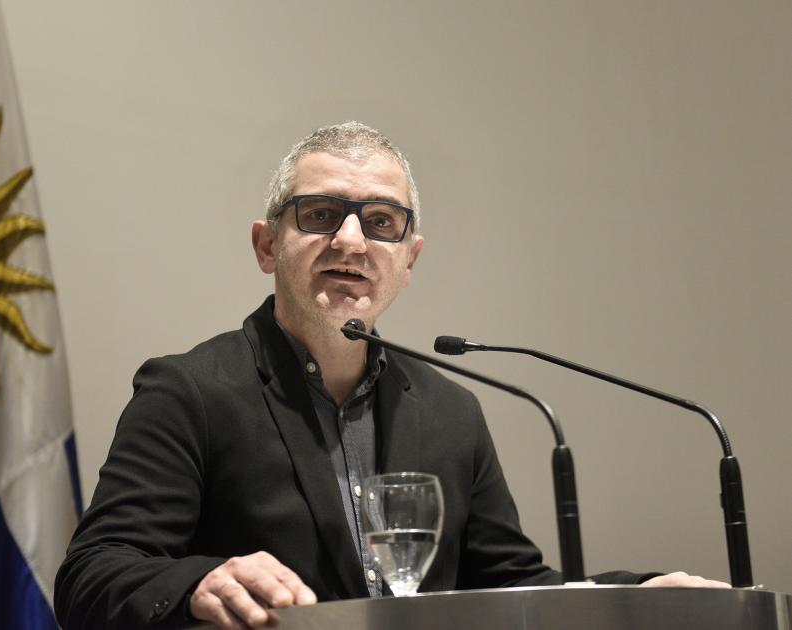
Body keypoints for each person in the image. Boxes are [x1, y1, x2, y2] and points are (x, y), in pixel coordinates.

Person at [54, 122, 728, 630]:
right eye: (319, 214)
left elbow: (507, 584)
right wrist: (201, 581)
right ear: (266, 245)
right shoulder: (191, 391)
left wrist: (634, 595)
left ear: (408, 259)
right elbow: (91, 576)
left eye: (380, 222)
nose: (350, 240)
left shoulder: (449, 410)